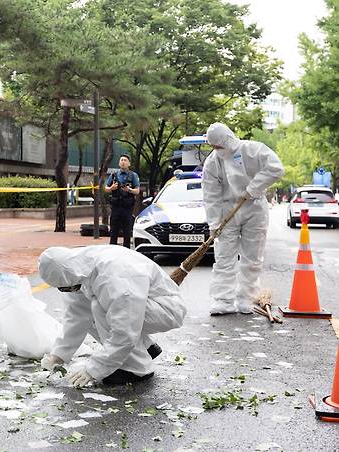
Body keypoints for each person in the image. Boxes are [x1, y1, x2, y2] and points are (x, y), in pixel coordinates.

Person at [38, 246, 186, 387]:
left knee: (98, 307)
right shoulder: (80, 267)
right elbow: (76, 316)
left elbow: (125, 329)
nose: (68, 290)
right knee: (94, 307)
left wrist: (94, 369)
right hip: (142, 306)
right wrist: (58, 355)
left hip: (167, 309)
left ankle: (136, 369)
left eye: (67, 287)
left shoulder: (114, 277)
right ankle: (147, 348)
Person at [202, 123, 284, 315]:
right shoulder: (212, 162)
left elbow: (276, 168)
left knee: (252, 257)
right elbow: (210, 195)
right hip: (226, 211)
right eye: (214, 147)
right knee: (224, 257)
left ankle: (246, 297)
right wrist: (214, 223)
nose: (217, 150)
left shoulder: (253, 149)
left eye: (219, 146)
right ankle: (223, 300)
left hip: (254, 207)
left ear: (228, 139)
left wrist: (253, 188)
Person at [104, 154, 140, 247]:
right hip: (116, 207)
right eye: (121, 160)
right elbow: (106, 188)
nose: (123, 162)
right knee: (113, 231)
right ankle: (113, 249)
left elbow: (137, 191)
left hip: (127, 207)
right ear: (119, 163)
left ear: (129, 163)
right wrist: (112, 188)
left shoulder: (133, 175)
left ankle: (127, 250)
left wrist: (129, 190)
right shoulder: (113, 175)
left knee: (127, 231)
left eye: (125, 160)